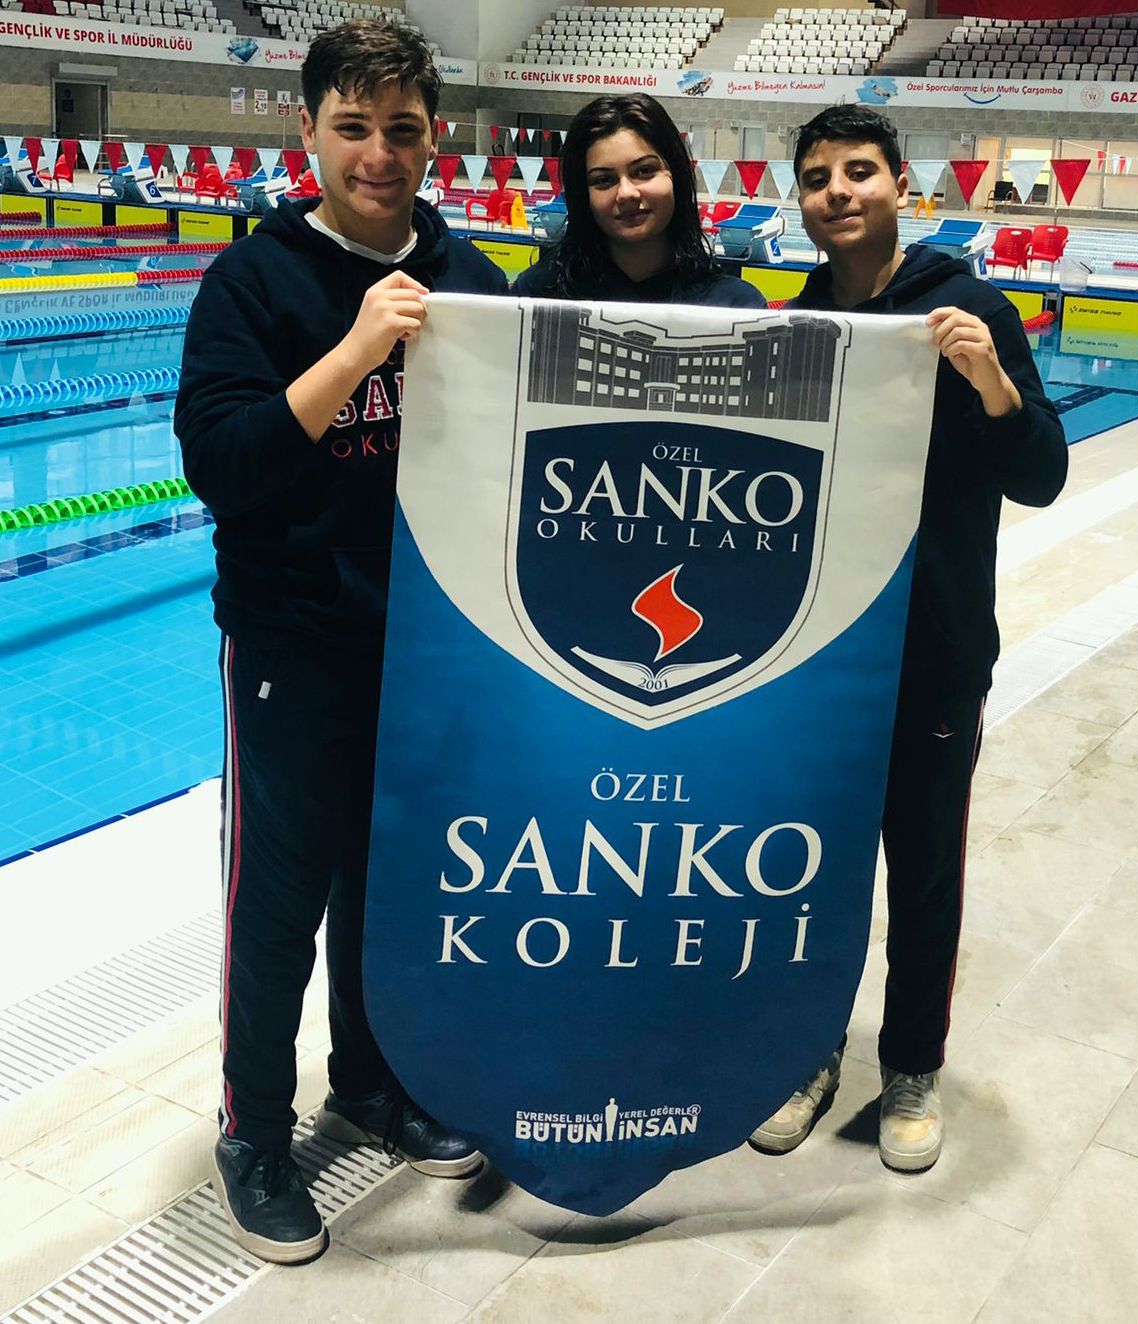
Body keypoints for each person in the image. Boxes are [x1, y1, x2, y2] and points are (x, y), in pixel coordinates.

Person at [174, 20, 508, 1265]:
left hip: (424, 643)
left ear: (435, 138)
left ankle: (369, 1084)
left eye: (402, 129)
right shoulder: (254, 282)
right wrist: (359, 348)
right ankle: (254, 1133)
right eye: (353, 127)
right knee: (280, 899)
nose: (379, 154)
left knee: (390, 884)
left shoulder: (471, 277)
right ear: (305, 129)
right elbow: (225, 465)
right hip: (292, 637)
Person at [750, 106, 1066, 1172]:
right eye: (816, 178)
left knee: (923, 874)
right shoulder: (797, 324)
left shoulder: (970, 309)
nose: (836, 192)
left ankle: (912, 1066)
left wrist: (991, 382)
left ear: (899, 185)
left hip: (932, 652)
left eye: (857, 172)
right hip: (817, 659)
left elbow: (1043, 476)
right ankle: (805, 1051)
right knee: (808, 872)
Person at [513, 92, 767, 309]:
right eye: (603, 180)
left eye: (644, 171)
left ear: (676, 175)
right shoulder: (538, 294)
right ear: (583, 196)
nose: (627, 193)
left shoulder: (735, 306)